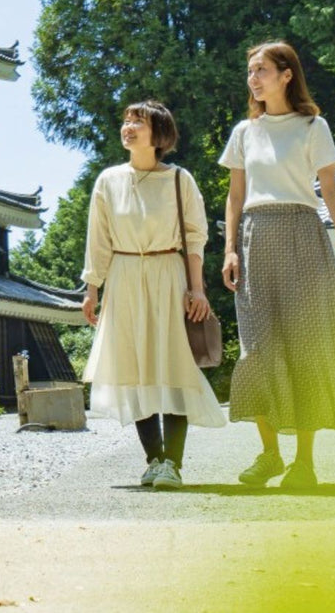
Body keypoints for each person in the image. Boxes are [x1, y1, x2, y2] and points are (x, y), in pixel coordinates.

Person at [220, 41, 335, 489]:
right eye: (250, 70)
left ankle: (303, 462)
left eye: (261, 69)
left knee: (305, 347)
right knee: (256, 351)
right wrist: (230, 248)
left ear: (286, 74)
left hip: (304, 236)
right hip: (254, 238)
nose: (253, 78)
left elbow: (329, 188)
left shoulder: (313, 125)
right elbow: (235, 197)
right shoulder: (243, 133)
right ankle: (269, 454)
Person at [82, 100, 225, 490]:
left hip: (169, 275)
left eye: (138, 122)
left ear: (158, 133)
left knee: (174, 368)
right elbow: (99, 239)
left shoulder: (180, 179)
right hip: (125, 277)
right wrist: (92, 287)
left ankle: (173, 465)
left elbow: (195, 238)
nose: (128, 127)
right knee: (136, 369)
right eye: (126, 121)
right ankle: (153, 460)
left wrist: (197, 289)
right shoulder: (108, 180)